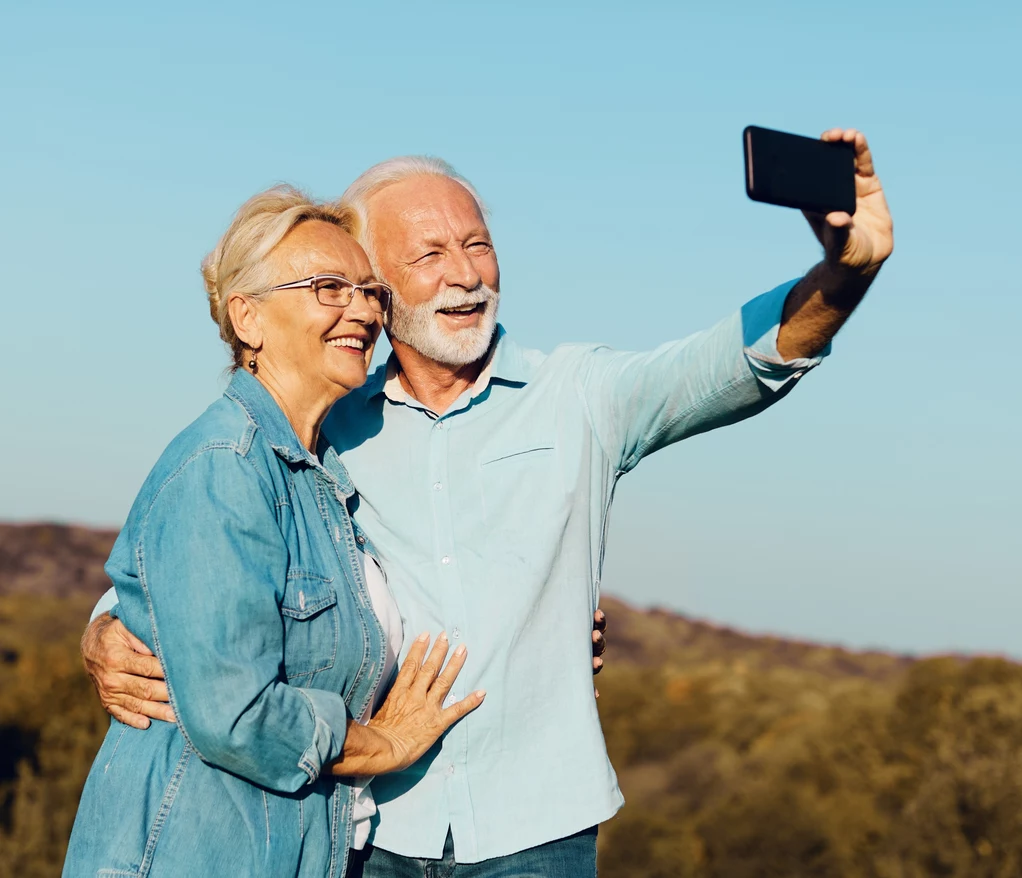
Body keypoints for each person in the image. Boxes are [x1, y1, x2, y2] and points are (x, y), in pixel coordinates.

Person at [84, 128, 893, 876]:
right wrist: (107, 626)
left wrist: (846, 274)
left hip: (536, 836)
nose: (466, 274)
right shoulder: (331, 421)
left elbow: (736, 363)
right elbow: (219, 540)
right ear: (377, 288)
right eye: (429, 253)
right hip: (371, 830)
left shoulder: (578, 394)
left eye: (478, 245)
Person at [64, 187, 484, 878]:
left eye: (370, 291)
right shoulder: (225, 466)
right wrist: (382, 745)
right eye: (328, 288)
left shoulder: (321, 476)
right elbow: (235, 711)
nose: (363, 311)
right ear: (247, 317)